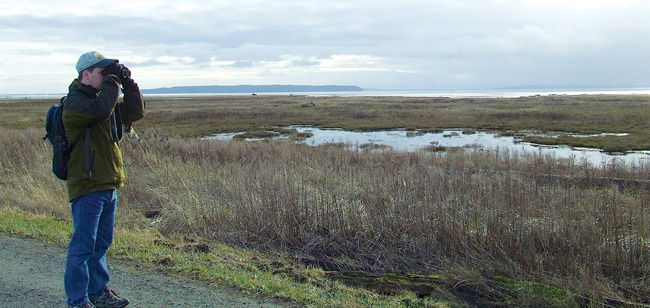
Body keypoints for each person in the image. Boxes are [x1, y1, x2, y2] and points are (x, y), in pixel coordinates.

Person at [62, 51, 145, 308]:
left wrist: (129, 83)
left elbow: (135, 111)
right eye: (102, 73)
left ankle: (98, 292)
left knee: (101, 244)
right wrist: (113, 82)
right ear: (85, 75)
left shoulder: (103, 103)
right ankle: (77, 301)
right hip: (87, 186)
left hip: (108, 184)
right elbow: (100, 110)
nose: (108, 79)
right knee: (84, 246)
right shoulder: (75, 104)